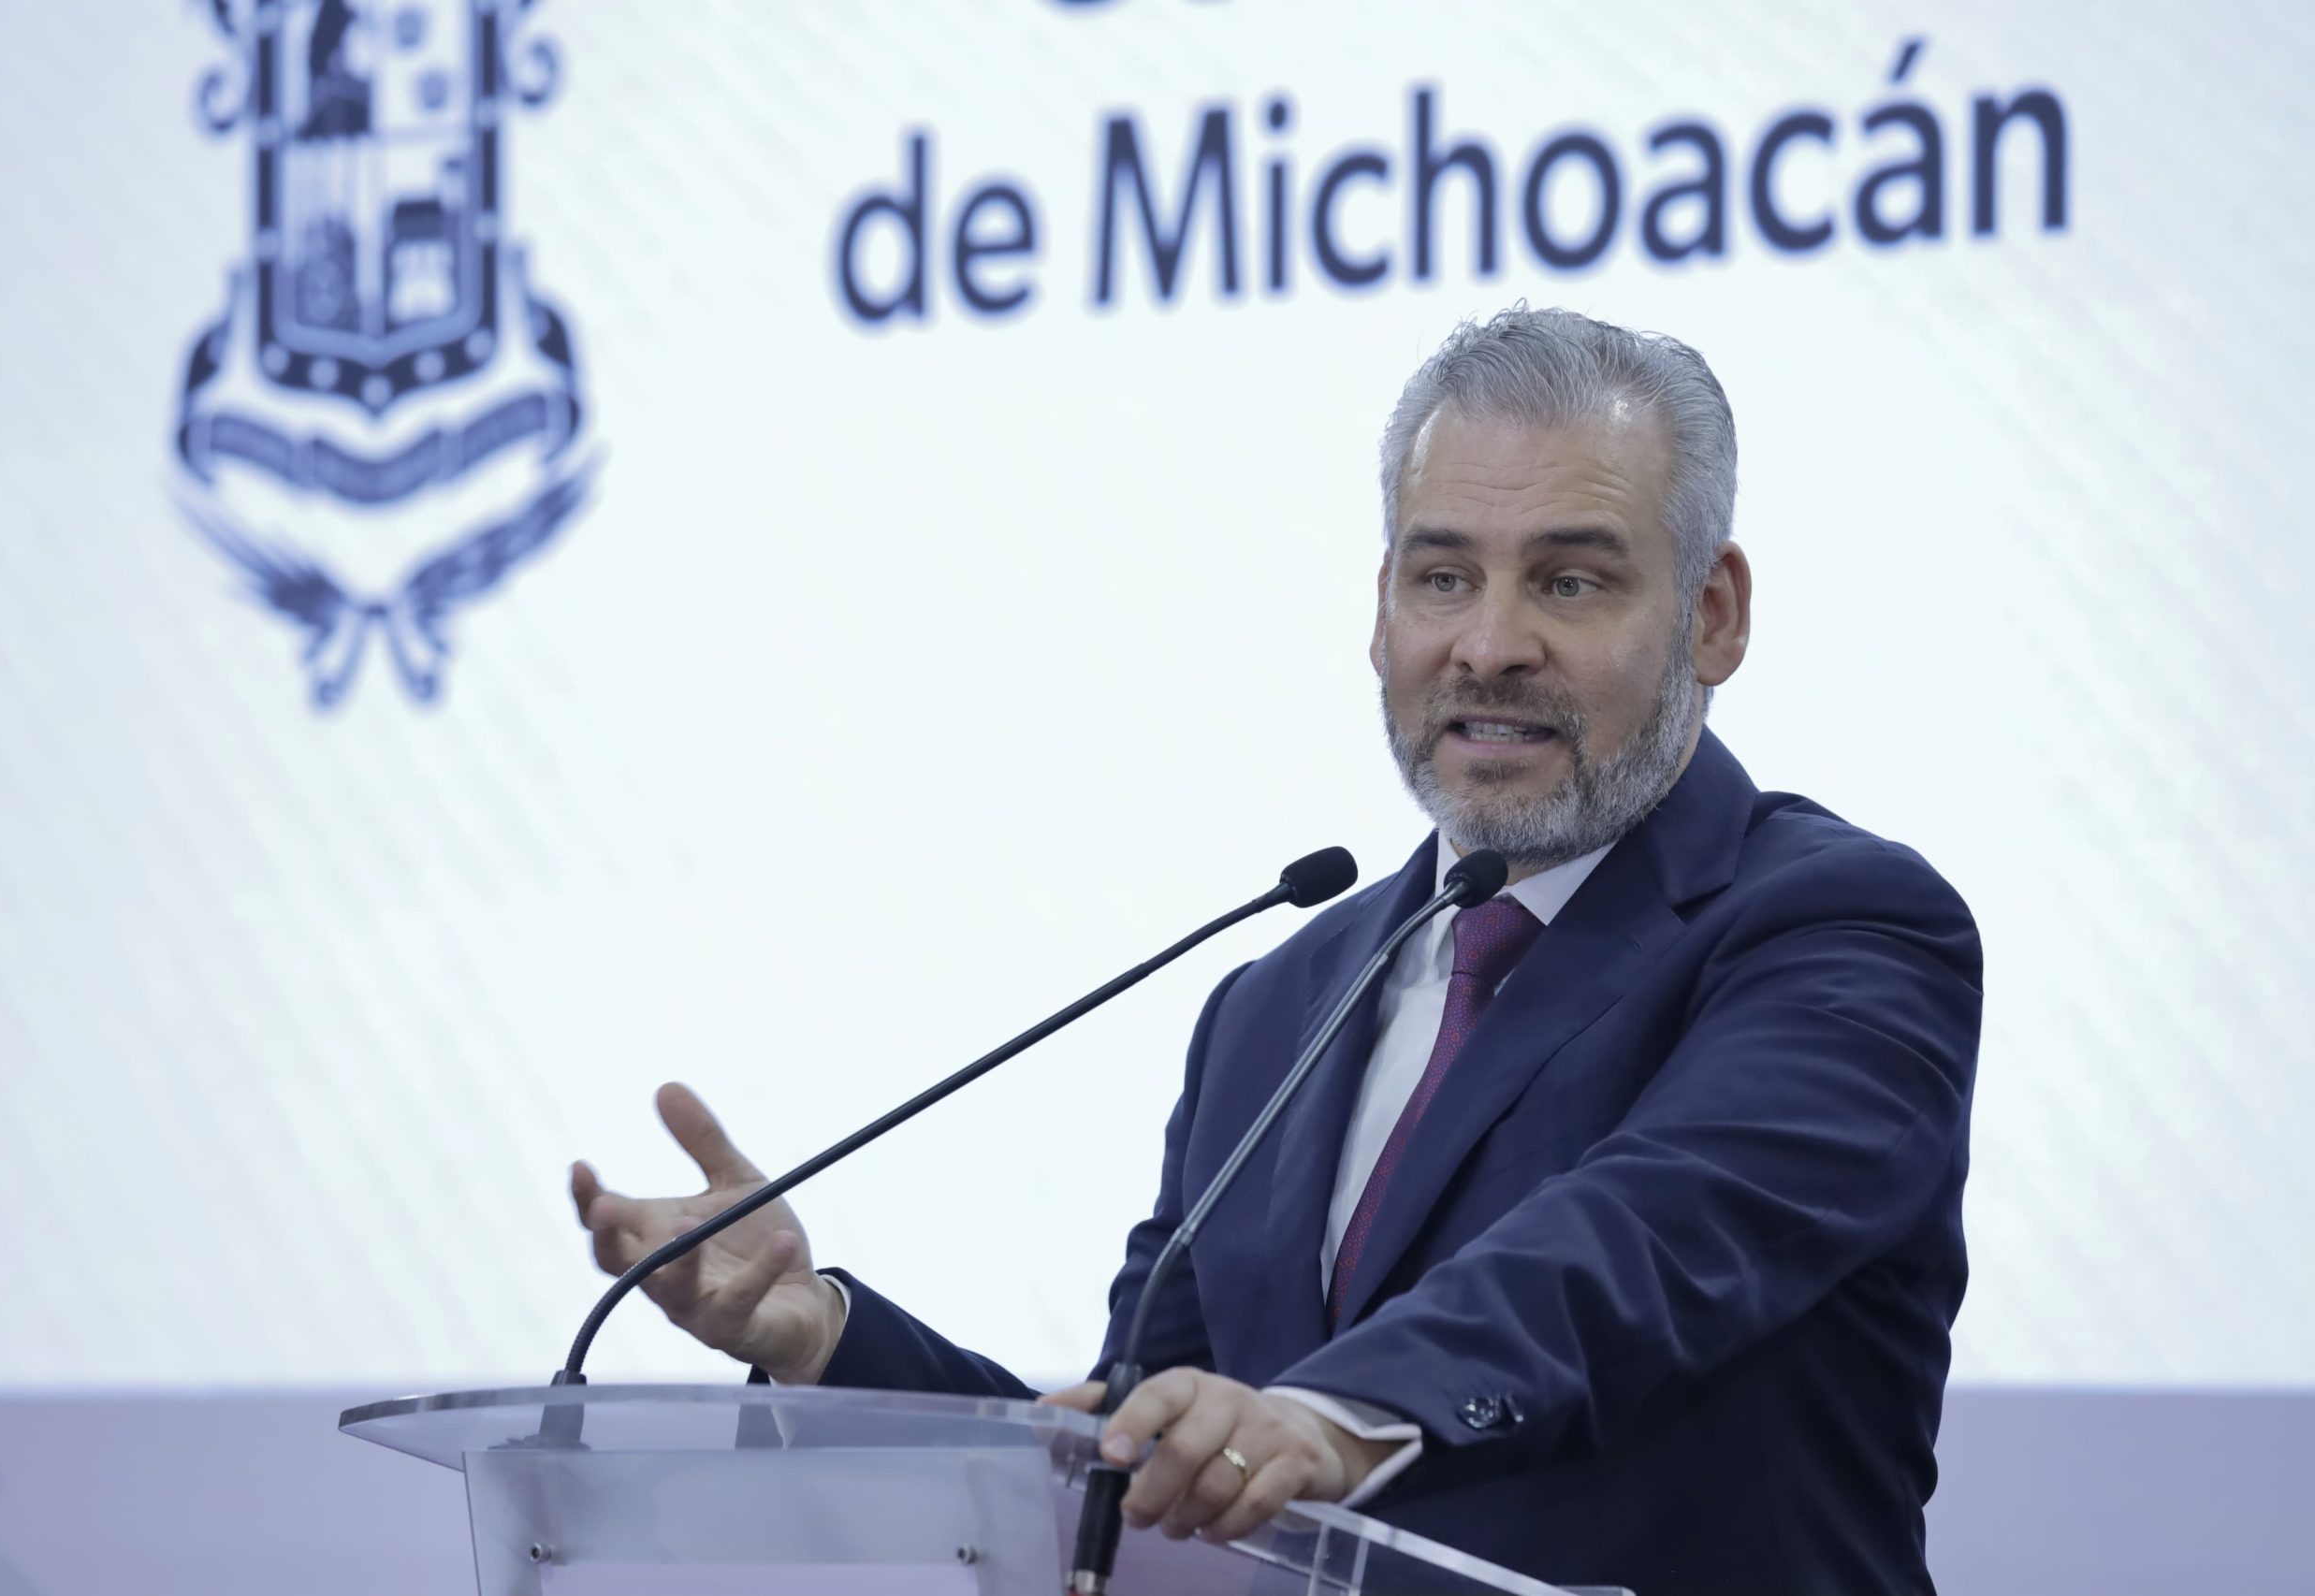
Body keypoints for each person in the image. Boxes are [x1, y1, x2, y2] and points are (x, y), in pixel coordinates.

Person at [571, 305, 1983, 1596]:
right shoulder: (1280, 1004)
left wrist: (1330, 1415)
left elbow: (1646, 1243)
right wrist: (825, 1337)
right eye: (1444, 576)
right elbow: (1138, 1462)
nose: (1490, 644)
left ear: (1712, 614)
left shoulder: (1844, 932)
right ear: (1381, 610)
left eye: (1569, 582)